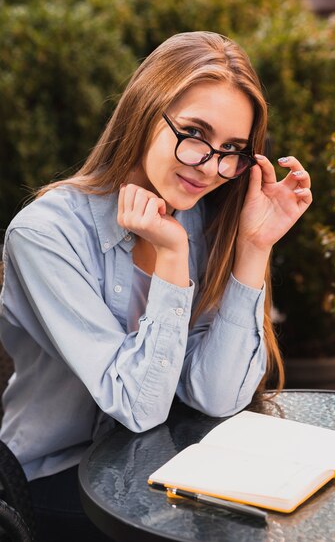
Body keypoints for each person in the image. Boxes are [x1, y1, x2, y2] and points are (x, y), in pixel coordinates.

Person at [0, 31, 312, 540]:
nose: (210, 167)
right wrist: (171, 257)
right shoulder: (45, 235)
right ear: (146, 112)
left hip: (171, 468)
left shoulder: (202, 217)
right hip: (57, 482)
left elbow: (216, 396)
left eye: (231, 150)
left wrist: (255, 247)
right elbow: (139, 408)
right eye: (194, 133)